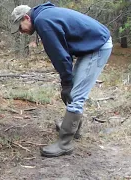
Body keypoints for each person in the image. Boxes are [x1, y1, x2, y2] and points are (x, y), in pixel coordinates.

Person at [11, 2, 112, 157]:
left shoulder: (43, 22)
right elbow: (64, 50)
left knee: (76, 93)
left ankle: (65, 143)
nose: (21, 32)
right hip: (92, 44)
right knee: (73, 90)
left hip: (98, 46)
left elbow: (60, 55)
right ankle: (73, 127)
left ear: (26, 17)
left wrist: (66, 82)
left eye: (20, 27)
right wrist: (67, 81)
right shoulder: (45, 15)